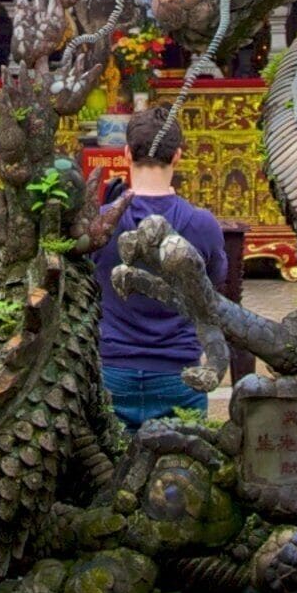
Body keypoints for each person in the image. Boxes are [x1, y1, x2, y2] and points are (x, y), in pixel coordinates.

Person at [92, 104, 234, 425]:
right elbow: (214, 284)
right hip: (179, 373)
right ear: (178, 156)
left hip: (112, 370)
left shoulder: (99, 223)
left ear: (127, 154)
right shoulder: (202, 224)